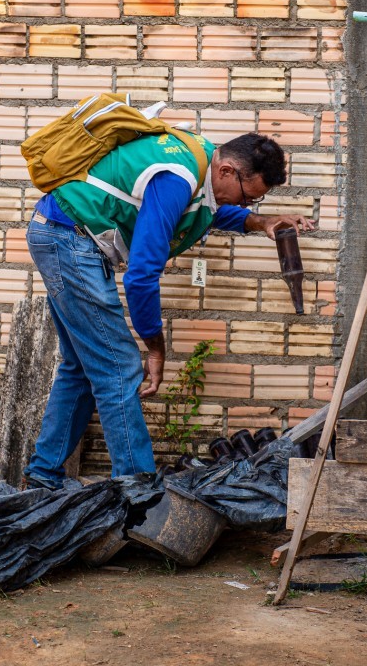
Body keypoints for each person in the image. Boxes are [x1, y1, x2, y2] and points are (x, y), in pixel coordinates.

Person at [22, 131, 315, 488]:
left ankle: (43, 475)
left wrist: (261, 221)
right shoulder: (179, 178)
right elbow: (141, 275)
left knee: (81, 367)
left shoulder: (200, 160)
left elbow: (209, 211)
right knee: (119, 366)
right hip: (69, 240)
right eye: (248, 198)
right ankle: (137, 491)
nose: (246, 205)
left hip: (60, 233)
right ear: (227, 171)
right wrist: (156, 349)